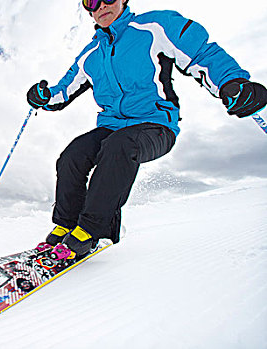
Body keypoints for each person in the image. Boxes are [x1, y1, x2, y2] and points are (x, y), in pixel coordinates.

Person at [27, 0, 267, 259]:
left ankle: (91, 231)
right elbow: (64, 90)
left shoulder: (154, 27)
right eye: (91, 2)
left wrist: (232, 83)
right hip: (112, 126)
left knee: (119, 146)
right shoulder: (91, 54)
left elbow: (201, 54)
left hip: (156, 125)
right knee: (72, 155)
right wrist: (43, 96)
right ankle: (66, 224)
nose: (101, 6)